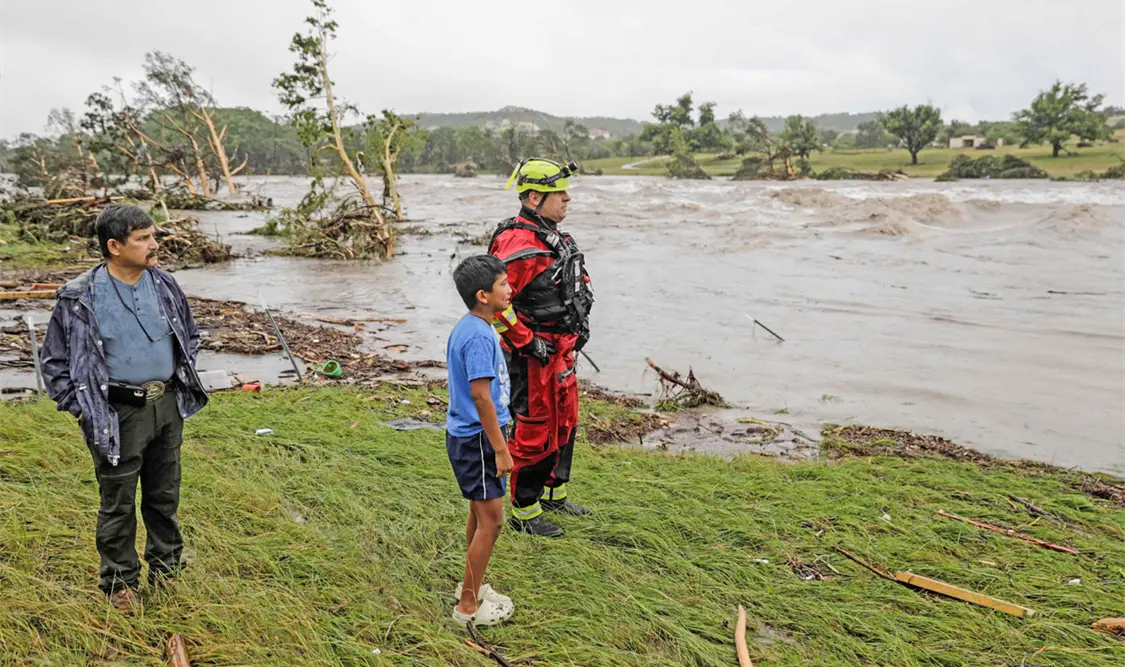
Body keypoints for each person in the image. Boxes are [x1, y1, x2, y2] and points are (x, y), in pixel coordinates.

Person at [39, 204, 209, 610]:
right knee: (117, 501)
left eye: (153, 236)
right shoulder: (79, 296)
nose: (154, 245)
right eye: (143, 239)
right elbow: (54, 362)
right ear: (114, 246)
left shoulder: (164, 284)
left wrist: (178, 381)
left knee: (164, 495)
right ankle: (120, 584)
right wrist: (82, 407)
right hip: (117, 414)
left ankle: (167, 569)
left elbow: (190, 335)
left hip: (166, 406)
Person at [488, 157, 595, 538]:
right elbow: (495, 303)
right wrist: (527, 342)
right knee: (535, 431)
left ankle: (554, 493)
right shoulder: (518, 242)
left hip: (562, 350)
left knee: (565, 424)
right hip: (535, 357)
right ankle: (524, 511)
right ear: (534, 197)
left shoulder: (551, 234)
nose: (567, 199)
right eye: (558, 193)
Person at [446, 254, 517, 625]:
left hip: (472, 436)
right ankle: (467, 610)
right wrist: (501, 450)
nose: (510, 289)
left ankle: (469, 587)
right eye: (503, 284)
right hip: (479, 440)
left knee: (478, 513)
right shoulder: (476, 336)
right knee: (493, 522)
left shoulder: (473, 326)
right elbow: (480, 396)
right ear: (483, 295)